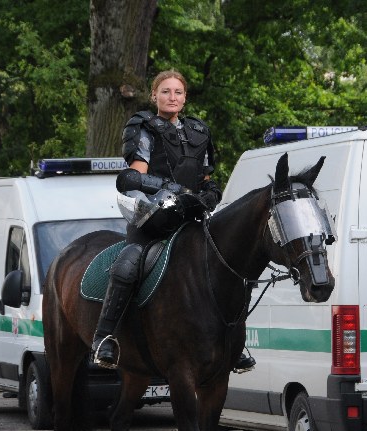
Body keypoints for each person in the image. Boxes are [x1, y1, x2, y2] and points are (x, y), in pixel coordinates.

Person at [91, 69, 257, 373]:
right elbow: (134, 177)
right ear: (154, 95)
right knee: (129, 262)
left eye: (178, 92)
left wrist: (210, 194)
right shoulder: (142, 125)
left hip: (193, 217)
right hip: (153, 216)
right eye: (165, 91)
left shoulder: (199, 130)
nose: (172, 97)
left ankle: (233, 339)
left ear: (185, 98)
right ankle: (105, 337)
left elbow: (207, 179)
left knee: (227, 265)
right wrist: (174, 190)